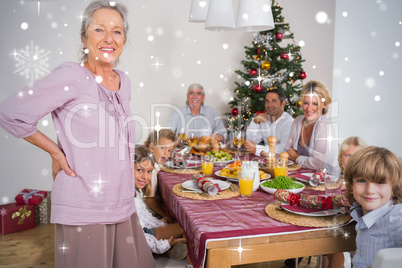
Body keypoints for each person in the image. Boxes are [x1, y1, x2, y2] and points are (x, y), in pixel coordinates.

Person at [0, 1, 156, 267]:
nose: (109, 38)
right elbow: (11, 113)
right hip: (84, 206)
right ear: (84, 37)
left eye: (117, 31)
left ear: (124, 39)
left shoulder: (124, 80)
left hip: (121, 203)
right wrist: (55, 151)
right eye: (99, 30)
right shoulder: (71, 75)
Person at [344, 146, 402, 268]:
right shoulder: (360, 208)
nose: (370, 190)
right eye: (361, 181)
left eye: (380, 182)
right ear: (351, 184)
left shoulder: (396, 215)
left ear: (393, 188)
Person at [133, 146, 187, 260]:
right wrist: (164, 244)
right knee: (184, 228)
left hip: (145, 231)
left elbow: (143, 216)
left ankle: (171, 247)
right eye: (139, 170)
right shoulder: (127, 197)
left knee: (182, 225)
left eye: (149, 171)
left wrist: (161, 223)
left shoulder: (134, 191)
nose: (145, 177)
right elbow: (138, 236)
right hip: (144, 237)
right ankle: (166, 249)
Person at [284, 80, 340, 175]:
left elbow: (319, 164)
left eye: (315, 104)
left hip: (325, 182)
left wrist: (297, 157)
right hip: (301, 177)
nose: (309, 109)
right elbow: (287, 151)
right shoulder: (297, 121)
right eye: (306, 103)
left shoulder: (325, 126)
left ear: (324, 104)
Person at [244, 88, 294, 156]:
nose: (269, 105)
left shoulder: (289, 122)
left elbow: (284, 148)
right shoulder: (265, 118)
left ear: (283, 104)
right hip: (265, 161)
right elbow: (250, 142)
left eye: (274, 101)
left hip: (282, 163)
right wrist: (255, 122)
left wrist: (257, 149)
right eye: (267, 101)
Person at [143, 129, 177, 220]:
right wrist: (166, 215)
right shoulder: (150, 168)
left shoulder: (152, 160)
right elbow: (149, 200)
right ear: (151, 147)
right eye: (163, 148)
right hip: (147, 214)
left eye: (170, 150)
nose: (166, 153)